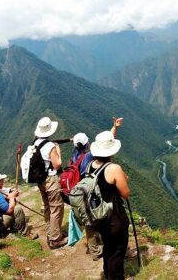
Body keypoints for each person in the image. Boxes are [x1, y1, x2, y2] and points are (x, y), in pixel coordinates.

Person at [71, 117, 123, 261]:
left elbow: (104, 145)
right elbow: (105, 148)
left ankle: (94, 251)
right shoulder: (89, 156)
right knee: (98, 219)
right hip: (92, 194)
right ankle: (105, 247)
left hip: (81, 192)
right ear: (87, 144)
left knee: (89, 223)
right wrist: (114, 130)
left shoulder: (75, 156)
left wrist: (115, 128)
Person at [90, 130, 130, 280]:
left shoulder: (90, 166)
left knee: (108, 247)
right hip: (115, 217)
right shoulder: (113, 168)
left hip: (99, 217)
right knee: (118, 251)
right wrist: (125, 179)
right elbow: (125, 193)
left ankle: (108, 275)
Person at [33, 116, 67, 249]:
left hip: (40, 180)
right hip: (51, 179)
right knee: (57, 207)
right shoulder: (50, 146)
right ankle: (55, 239)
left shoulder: (35, 143)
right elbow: (57, 164)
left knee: (47, 206)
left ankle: (51, 232)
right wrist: (58, 150)